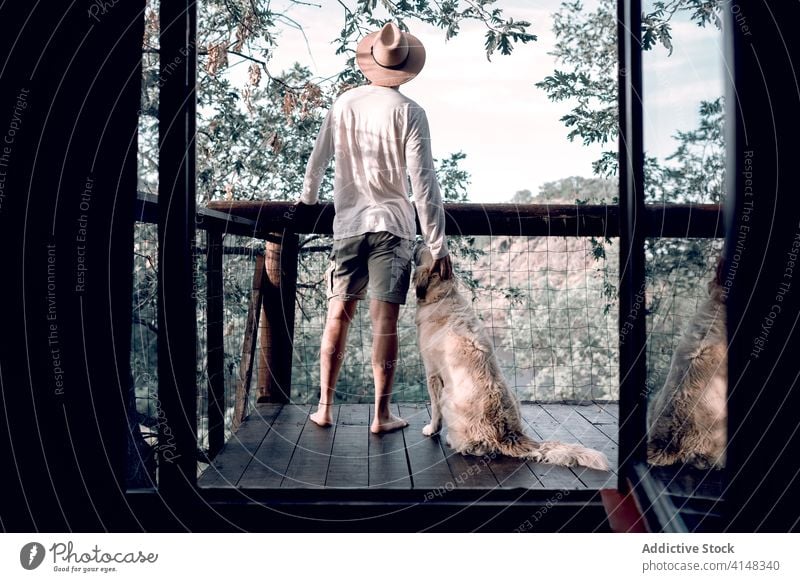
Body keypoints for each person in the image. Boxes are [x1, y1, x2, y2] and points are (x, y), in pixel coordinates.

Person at [298, 22, 452, 433]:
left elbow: (316, 160)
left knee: (337, 317)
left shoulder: (344, 103)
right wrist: (437, 246)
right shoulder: (410, 112)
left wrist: (309, 202)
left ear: (370, 63)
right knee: (384, 324)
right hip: (393, 228)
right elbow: (423, 184)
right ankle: (381, 416)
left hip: (348, 224)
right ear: (406, 69)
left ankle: (325, 408)